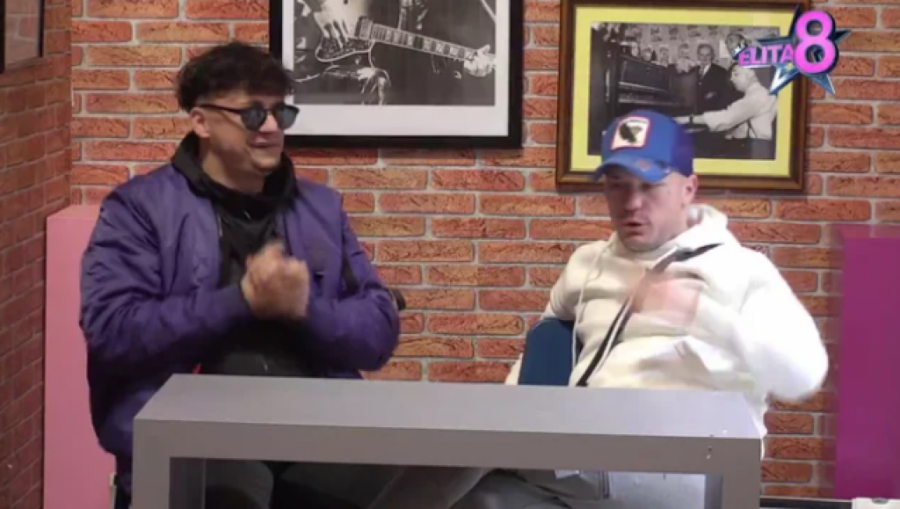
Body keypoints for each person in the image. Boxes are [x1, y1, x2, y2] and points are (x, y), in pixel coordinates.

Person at [366, 110, 828, 509]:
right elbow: (544, 345)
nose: (632, 204)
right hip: (582, 455)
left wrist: (700, 315)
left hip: (688, 469)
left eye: (650, 186)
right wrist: (513, 417)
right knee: (480, 498)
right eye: (617, 186)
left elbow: (803, 374)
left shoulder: (742, 270)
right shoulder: (588, 263)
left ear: (689, 188)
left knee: (468, 437)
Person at [80, 41, 402, 509]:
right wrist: (241, 300)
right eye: (252, 114)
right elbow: (113, 333)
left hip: (315, 433)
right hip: (192, 435)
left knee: (446, 481)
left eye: (280, 114)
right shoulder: (140, 209)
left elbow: (377, 334)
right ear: (201, 121)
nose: (270, 128)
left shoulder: (321, 208)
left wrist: (305, 309)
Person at [292, 0, 495, 106]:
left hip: (347, 69)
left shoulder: (435, 6)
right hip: (301, 42)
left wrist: (463, 62)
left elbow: (415, 54)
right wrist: (323, 5)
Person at [674, 64, 778, 158]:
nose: (732, 79)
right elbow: (740, 127)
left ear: (751, 74)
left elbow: (727, 118)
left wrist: (687, 119)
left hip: (760, 150)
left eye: (736, 74)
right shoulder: (759, 93)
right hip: (758, 146)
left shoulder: (756, 96)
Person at [694, 43, 733, 113]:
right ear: (698, 56)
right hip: (695, 113)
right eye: (701, 55)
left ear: (712, 56)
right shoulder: (693, 71)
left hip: (713, 113)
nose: (704, 58)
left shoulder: (721, 72)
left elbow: (726, 95)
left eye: (708, 55)